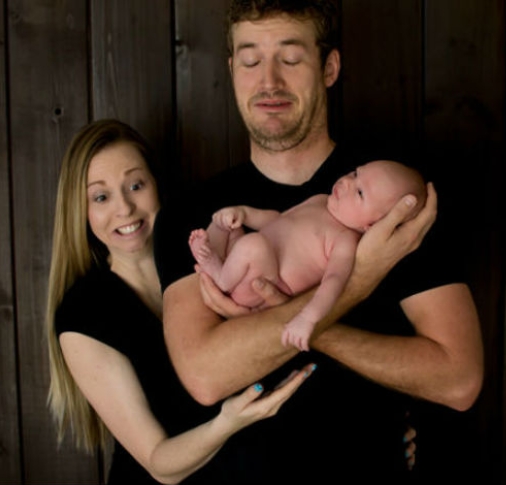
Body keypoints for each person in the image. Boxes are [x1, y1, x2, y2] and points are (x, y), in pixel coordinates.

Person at [154, 0, 485, 483]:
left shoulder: (389, 203)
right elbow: (205, 375)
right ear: (231, 71)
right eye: (250, 61)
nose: (269, 81)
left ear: (329, 67)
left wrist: (314, 328)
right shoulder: (195, 217)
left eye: (290, 59)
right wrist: (358, 281)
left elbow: (458, 379)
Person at [44, 118, 315, 485]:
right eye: (101, 197)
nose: (124, 208)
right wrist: (226, 423)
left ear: (156, 185)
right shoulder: (84, 313)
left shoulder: (213, 254)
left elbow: (288, 343)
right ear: (81, 210)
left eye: (136, 185)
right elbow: (159, 462)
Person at [189, 160, 427, 351]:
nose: (346, 182)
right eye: (355, 173)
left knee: (253, 245)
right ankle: (212, 254)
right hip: (248, 260)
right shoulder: (321, 200)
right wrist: (245, 214)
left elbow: (334, 282)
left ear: (372, 226)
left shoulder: (345, 241)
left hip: (259, 285)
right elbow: (279, 219)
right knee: (227, 223)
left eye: (360, 192)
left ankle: (219, 275)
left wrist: (308, 318)